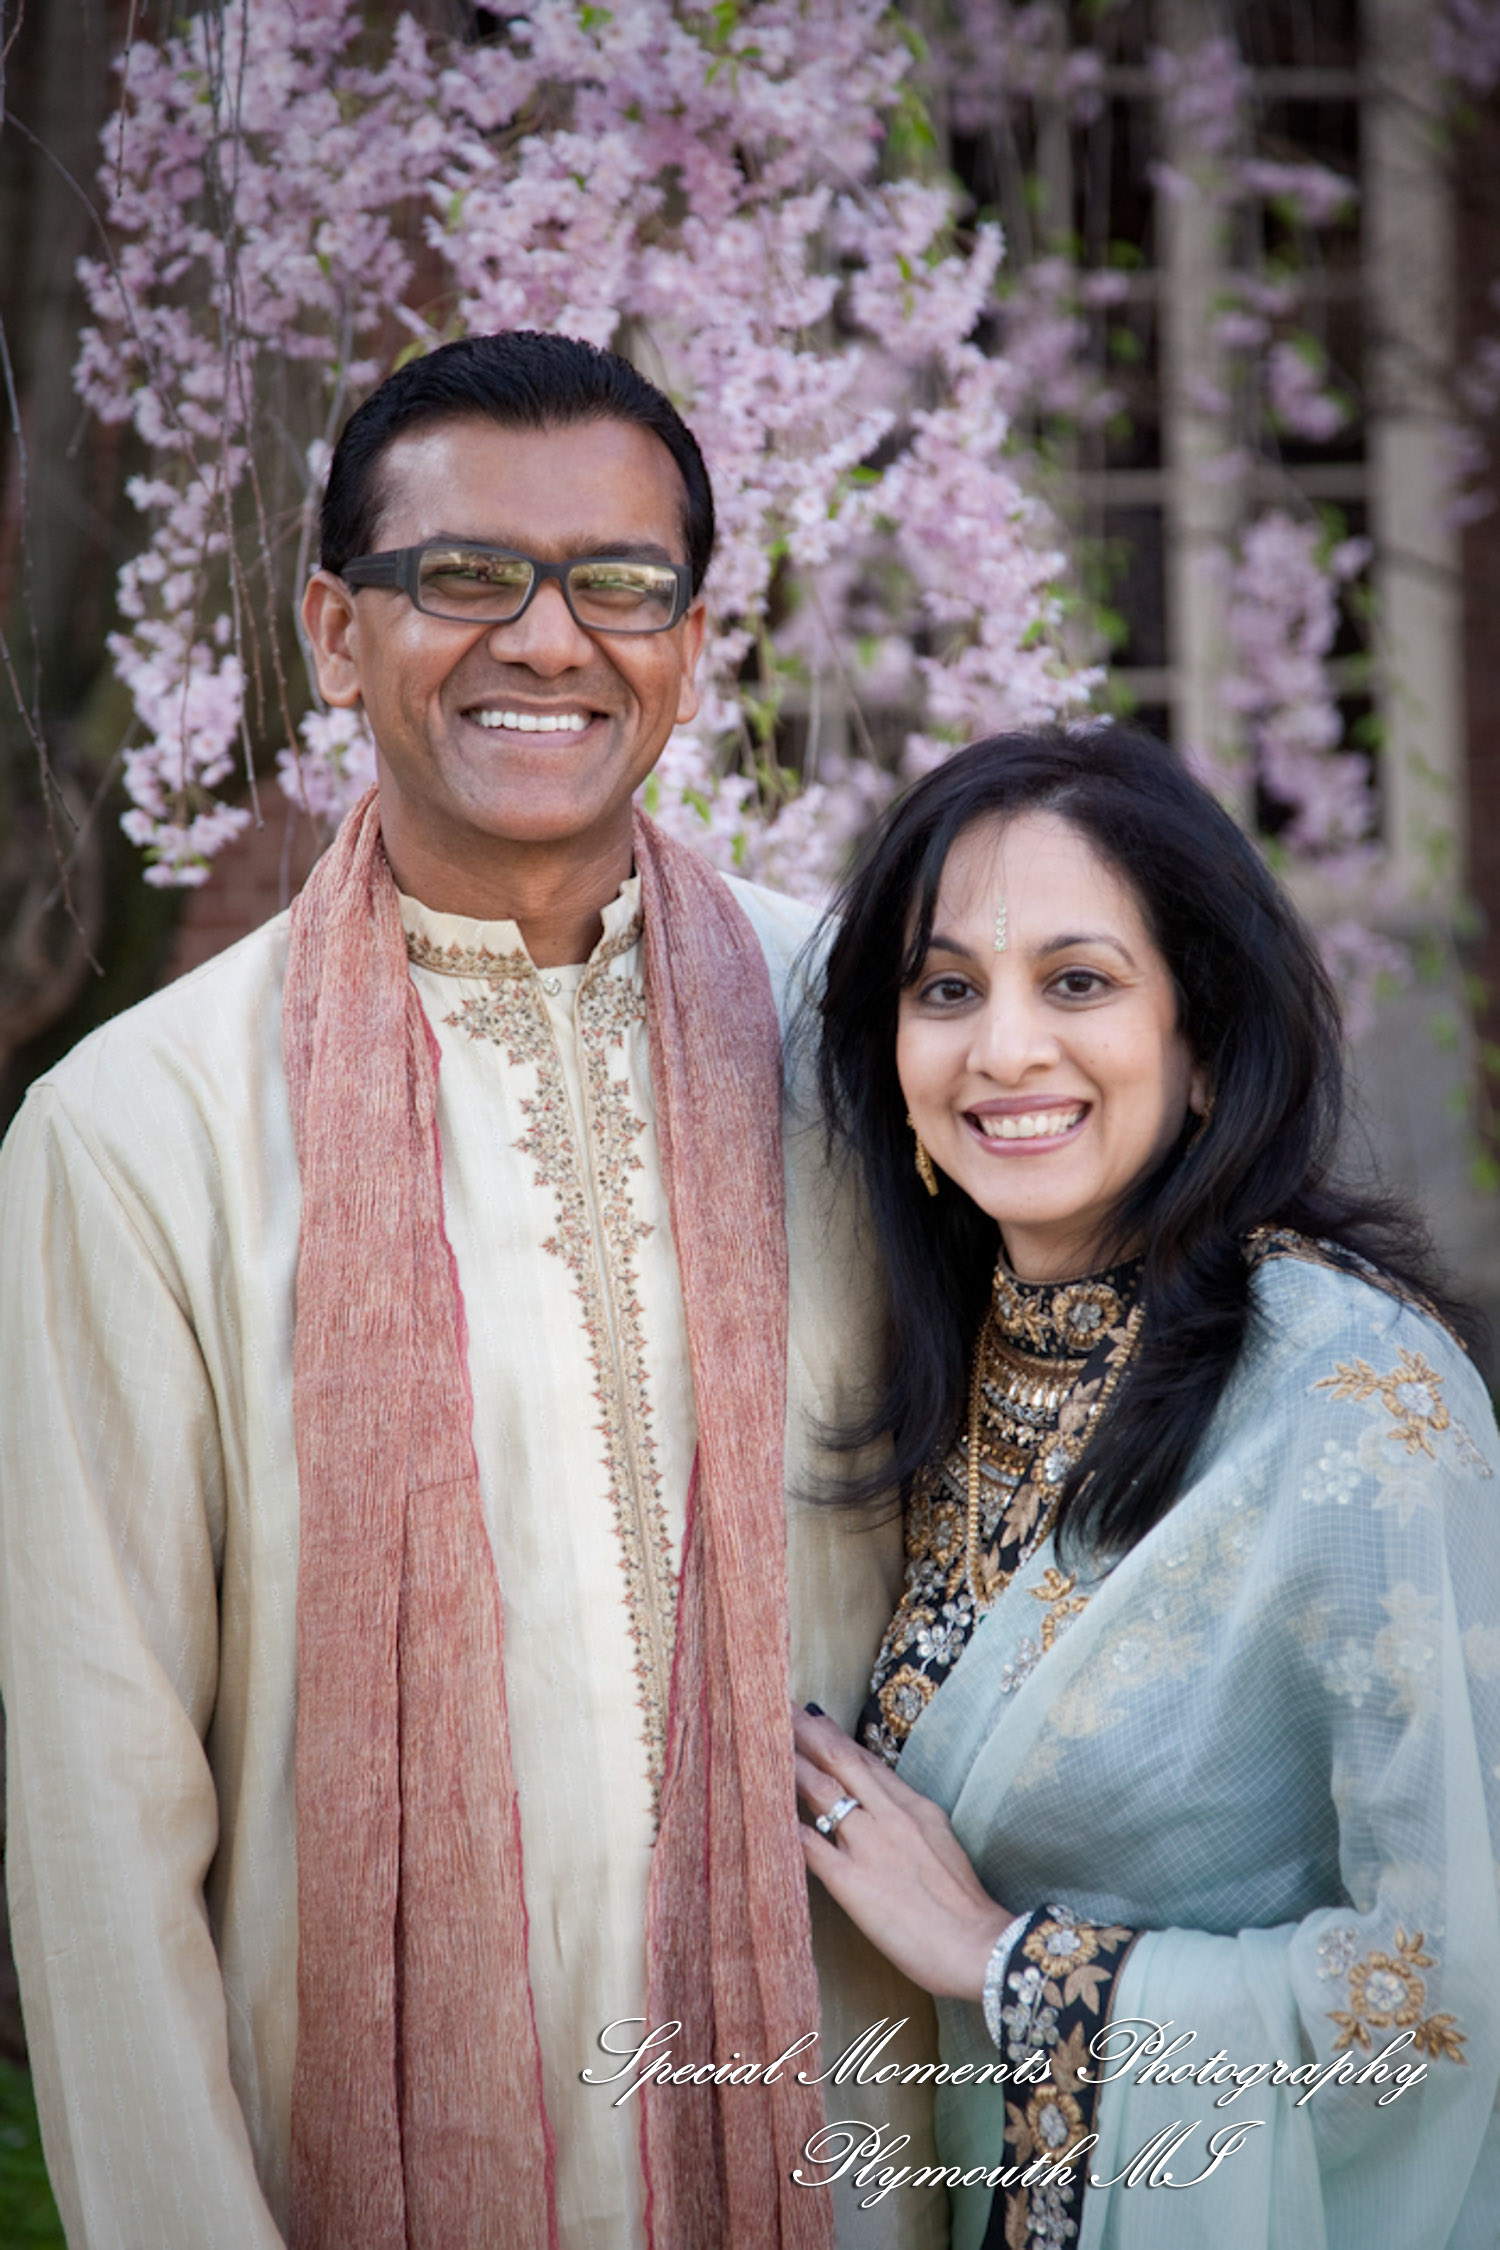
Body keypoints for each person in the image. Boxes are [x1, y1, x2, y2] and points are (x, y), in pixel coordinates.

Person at [0, 332, 944, 2250]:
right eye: (464, 575)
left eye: (620, 583)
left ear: (692, 643)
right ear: (337, 632)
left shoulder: (869, 1041)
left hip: (858, 2148)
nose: (547, 638)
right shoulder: (141, 1129)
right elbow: (99, 1808)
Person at [793, 724, 1500, 2249]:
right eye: (946, 989)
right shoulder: (921, 1352)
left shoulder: (1356, 1399)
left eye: (1078, 981)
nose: (1003, 1050)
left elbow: (1447, 1988)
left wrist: (1003, 1961)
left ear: (1204, 1046)